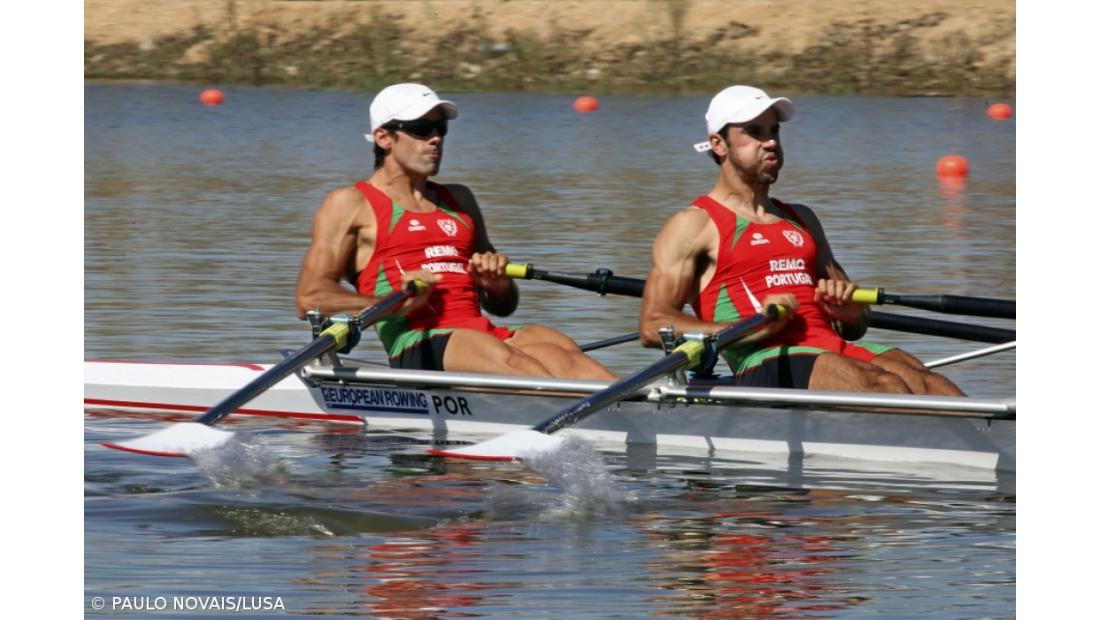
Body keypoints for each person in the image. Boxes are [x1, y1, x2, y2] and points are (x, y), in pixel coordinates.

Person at [638, 85, 963, 395]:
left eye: (774, 131)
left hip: (833, 348)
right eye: (754, 132)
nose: (769, 142)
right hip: (767, 358)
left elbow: (857, 326)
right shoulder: (694, 225)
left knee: (932, 385)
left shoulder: (802, 219)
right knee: (886, 386)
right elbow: (653, 325)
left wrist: (848, 310)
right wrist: (750, 326)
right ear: (718, 144)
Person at [296, 83, 615, 380]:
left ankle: (644, 414)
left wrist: (498, 286)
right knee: (518, 365)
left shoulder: (459, 200)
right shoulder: (351, 203)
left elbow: (503, 307)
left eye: (441, 129)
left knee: (561, 350)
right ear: (383, 138)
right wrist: (392, 302)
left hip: (482, 333)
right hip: (420, 341)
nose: (435, 138)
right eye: (421, 130)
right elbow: (309, 297)